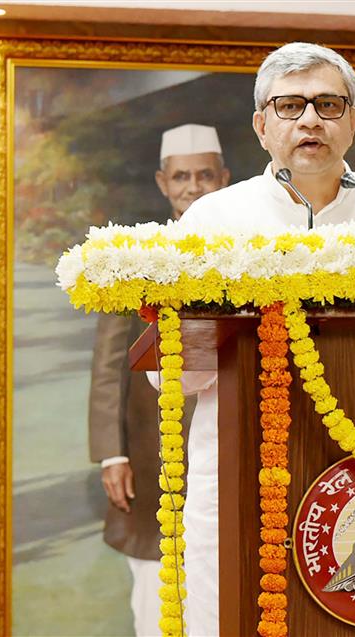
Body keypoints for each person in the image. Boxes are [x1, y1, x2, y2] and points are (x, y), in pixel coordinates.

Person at [173, 42, 355, 637]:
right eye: (290, 106)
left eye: (327, 103)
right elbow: (173, 373)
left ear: (353, 120)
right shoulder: (212, 221)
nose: (310, 120)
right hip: (239, 459)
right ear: (262, 125)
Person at [88, 124, 229, 637]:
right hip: (153, 454)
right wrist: (112, 453)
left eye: (204, 175)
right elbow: (108, 363)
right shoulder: (137, 256)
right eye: (182, 176)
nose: (193, 186)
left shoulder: (249, 252)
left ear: (224, 178)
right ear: (163, 182)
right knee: (155, 594)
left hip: (229, 448)